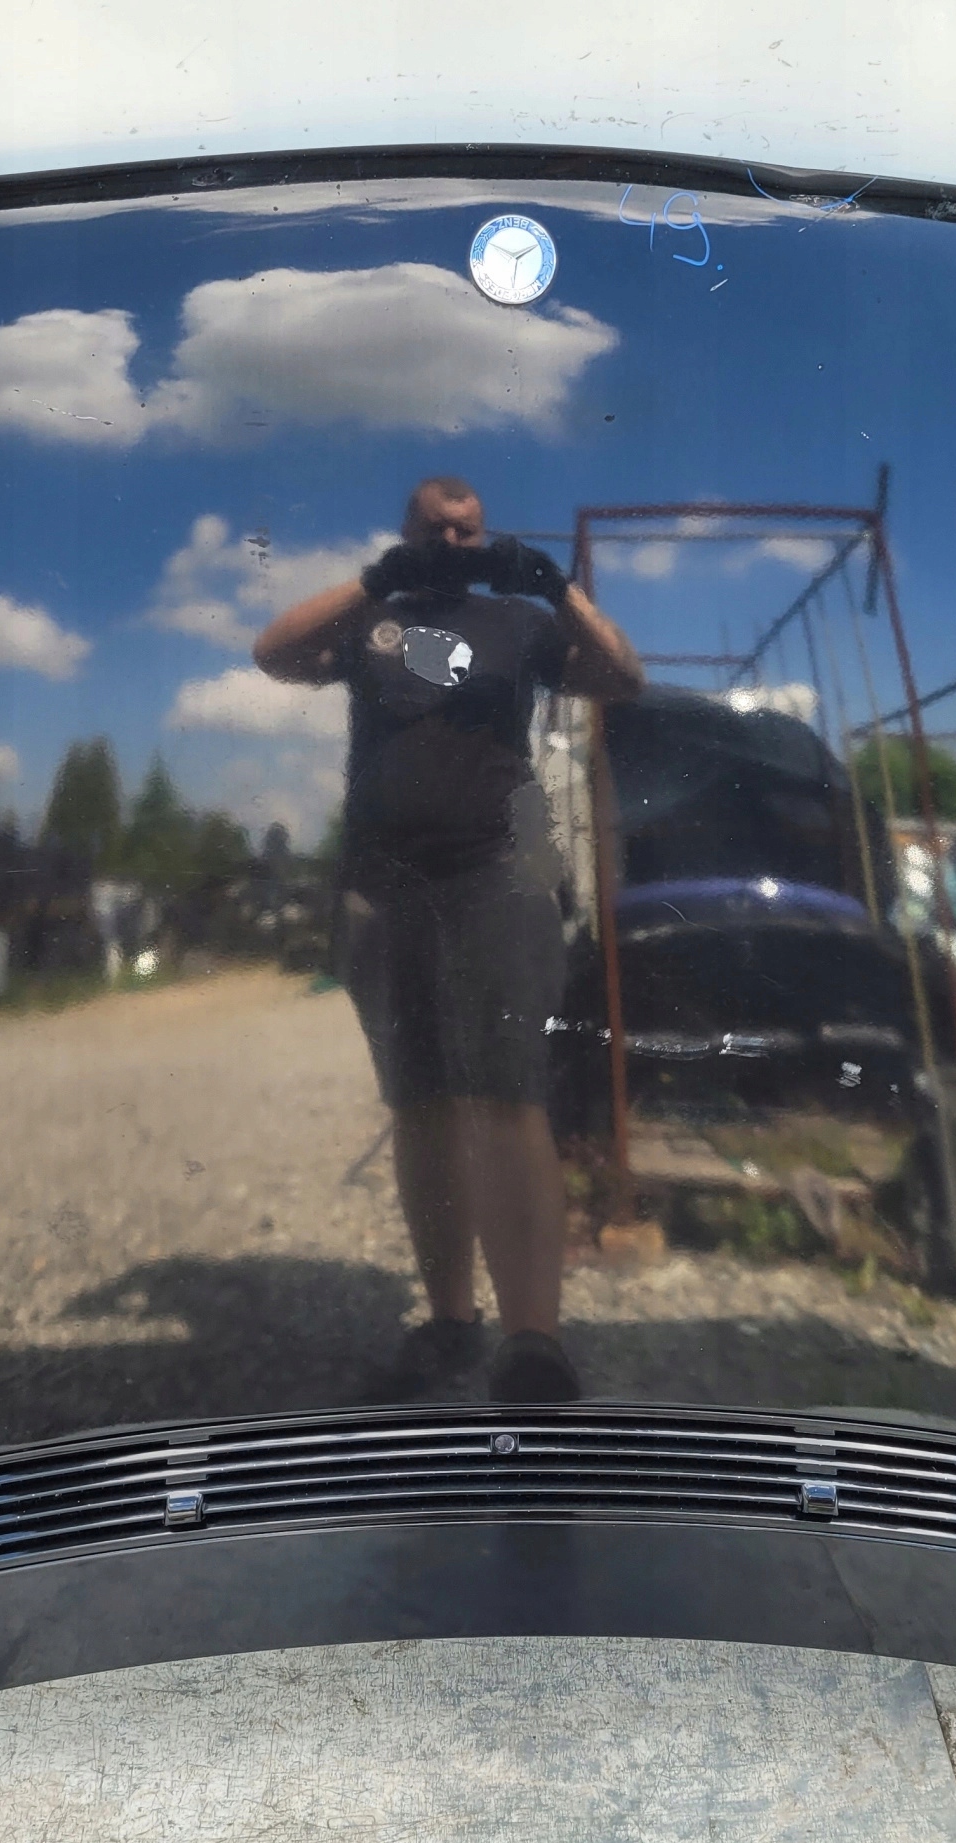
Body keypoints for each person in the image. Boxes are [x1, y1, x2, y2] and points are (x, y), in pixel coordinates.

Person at [254, 477, 643, 1402]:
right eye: (434, 529)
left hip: (497, 873)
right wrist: (376, 579)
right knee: (421, 1102)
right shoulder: (371, 619)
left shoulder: (519, 623)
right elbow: (274, 652)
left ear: (487, 536)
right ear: (406, 534)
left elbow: (623, 677)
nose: (452, 541)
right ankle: (451, 1320)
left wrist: (555, 586)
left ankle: (533, 1343)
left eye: (467, 531)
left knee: (506, 1095)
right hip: (383, 884)